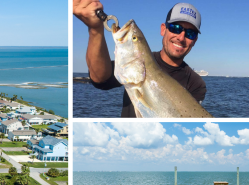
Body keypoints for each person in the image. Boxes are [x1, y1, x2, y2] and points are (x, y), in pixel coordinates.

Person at [73, 1, 207, 117]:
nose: (181, 37)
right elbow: (100, 78)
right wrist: (95, 29)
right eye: (176, 28)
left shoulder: (196, 84)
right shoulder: (140, 61)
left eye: (190, 33)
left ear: (194, 40)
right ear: (163, 29)